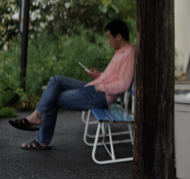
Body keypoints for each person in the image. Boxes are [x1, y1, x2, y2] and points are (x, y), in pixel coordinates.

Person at [9, 19, 134, 151]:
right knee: (56, 80)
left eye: (109, 37)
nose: (108, 41)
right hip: (94, 87)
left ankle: (41, 138)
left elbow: (123, 85)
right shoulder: (120, 52)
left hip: (100, 95)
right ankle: (37, 116)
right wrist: (98, 75)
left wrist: (100, 86)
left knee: (52, 98)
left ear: (119, 36)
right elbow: (113, 77)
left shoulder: (128, 54)